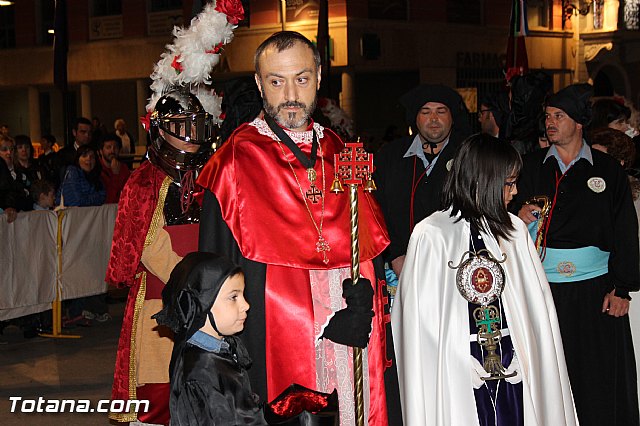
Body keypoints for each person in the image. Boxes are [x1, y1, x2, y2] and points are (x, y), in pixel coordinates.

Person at [197, 31, 400, 426]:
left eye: (302, 79)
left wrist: (365, 305)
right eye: (276, 81)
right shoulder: (234, 163)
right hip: (273, 355)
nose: (290, 94)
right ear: (259, 84)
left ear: (319, 78)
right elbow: (217, 285)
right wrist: (322, 323)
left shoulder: (341, 152)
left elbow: (363, 246)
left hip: (352, 347)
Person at [392, 133, 578, 425]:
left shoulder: (513, 230)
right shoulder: (432, 234)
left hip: (514, 360)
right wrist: (456, 357)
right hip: (457, 367)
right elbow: (421, 321)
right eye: (509, 183)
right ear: (483, 180)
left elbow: (534, 310)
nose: (515, 192)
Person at [512, 83, 640, 426]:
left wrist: (623, 288)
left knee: (599, 374)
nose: (550, 123)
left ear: (579, 122)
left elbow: (626, 230)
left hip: (597, 290)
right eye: (548, 116)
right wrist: (516, 212)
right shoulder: (529, 166)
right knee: (549, 371)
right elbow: (501, 216)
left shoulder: (607, 169)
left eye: (559, 116)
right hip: (543, 287)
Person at [106, 90, 214, 425]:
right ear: (162, 130)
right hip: (162, 297)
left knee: (205, 386)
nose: (191, 136)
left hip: (210, 297)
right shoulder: (144, 181)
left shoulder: (210, 175)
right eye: (182, 126)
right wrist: (194, 280)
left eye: (195, 126)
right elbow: (146, 244)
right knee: (159, 392)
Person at [152, 252, 265, 425]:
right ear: (202, 303)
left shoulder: (218, 349)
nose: (246, 305)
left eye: (242, 295)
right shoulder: (200, 373)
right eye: (233, 297)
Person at [373, 84, 471, 277]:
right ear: (415, 118)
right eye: (425, 112)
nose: (433, 119)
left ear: (452, 117)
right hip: (402, 264)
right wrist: (396, 254)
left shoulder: (469, 154)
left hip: (458, 264)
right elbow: (378, 209)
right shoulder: (390, 156)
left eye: (441, 111)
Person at [98, 133, 130, 204]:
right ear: (101, 151)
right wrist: (115, 175)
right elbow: (107, 199)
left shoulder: (123, 168)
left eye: (115, 147)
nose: (112, 151)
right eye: (108, 147)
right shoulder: (96, 169)